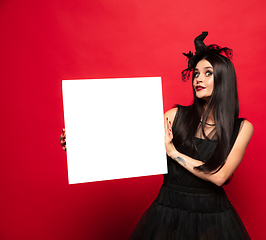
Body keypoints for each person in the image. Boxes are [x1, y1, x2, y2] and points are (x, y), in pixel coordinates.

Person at [60, 32, 253, 240]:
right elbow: (131, 143)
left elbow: (220, 176)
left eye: (208, 73)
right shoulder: (176, 116)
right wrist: (81, 143)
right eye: (196, 73)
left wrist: (173, 152)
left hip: (212, 217)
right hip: (168, 210)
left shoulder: (242, 128)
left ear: (224, 79)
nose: (198, 78)